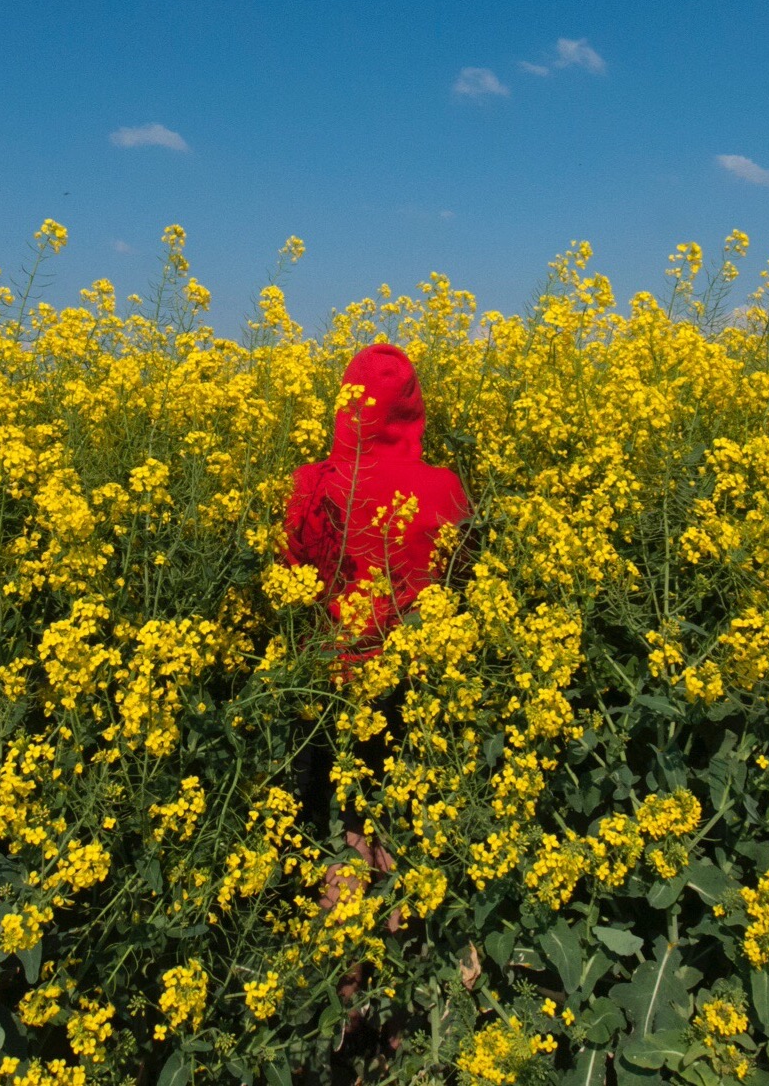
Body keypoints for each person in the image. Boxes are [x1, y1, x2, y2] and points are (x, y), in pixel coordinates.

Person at [282, 342, 470, 1027]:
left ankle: (343, 989)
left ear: (345, 407)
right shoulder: (444, 488)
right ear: (411, 410)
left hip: (328, 687)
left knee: (337, 833)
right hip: (410, 691)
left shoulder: (311, 483)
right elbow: (460, 577)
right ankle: (400, 990)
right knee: (393, 824)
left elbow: (294, 581)